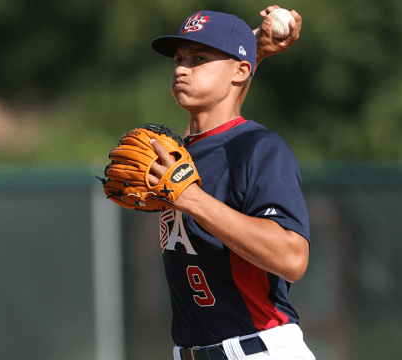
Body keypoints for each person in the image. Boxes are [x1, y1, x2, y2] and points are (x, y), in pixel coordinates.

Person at [148, 7, 315, 360]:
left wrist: (191, 199)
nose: (180, 68)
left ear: (241, 71)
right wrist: (250, 47)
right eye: (179, 58)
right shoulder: (179, 155)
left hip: (258, 349)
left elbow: (293, 257)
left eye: (198, 58)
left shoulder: (259, 148)